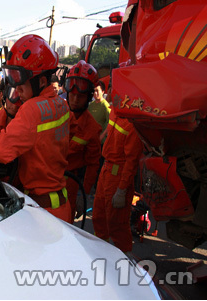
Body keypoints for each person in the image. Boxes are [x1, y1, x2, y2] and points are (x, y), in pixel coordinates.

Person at [0, 34, 71, 223]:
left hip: (42, 213)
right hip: (61, 206)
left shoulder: (30, 110)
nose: (16, 88)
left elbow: (0, 153)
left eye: (21, 80)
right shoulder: (62, 104)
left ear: (41, 82)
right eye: (12, 77)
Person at [92, 83, 144, 254]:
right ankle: (101, 254)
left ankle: (125, 261)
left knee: (117, 225)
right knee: (99, 217)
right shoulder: (115, 111)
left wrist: (122, 189)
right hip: (106, 169)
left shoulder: (133, 123)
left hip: (118, 175)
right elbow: (108, 132)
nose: (109, 95)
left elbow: (131, 162)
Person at [64, 61, 102, 221]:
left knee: (65, 224)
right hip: (46, 176)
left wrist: (84, 194)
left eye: (80, 96)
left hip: (70, 183)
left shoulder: (92, 128)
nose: (74, 99)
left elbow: (93, 165)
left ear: (88, 97)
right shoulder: (57, 112)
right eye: (72, 94)